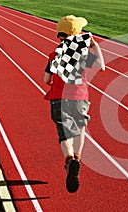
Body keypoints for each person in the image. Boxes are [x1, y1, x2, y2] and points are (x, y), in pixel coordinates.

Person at [43, 15, 105, 193]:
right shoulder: (82, 55)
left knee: (64, 135)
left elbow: (46, 78)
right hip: (79, 98)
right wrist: (95, 46)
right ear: (78, 33)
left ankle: (69, 159)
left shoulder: (54, 54)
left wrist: (52, 80)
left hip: (58, 99)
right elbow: (101, 66)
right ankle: (77, 158)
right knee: (80, 128)